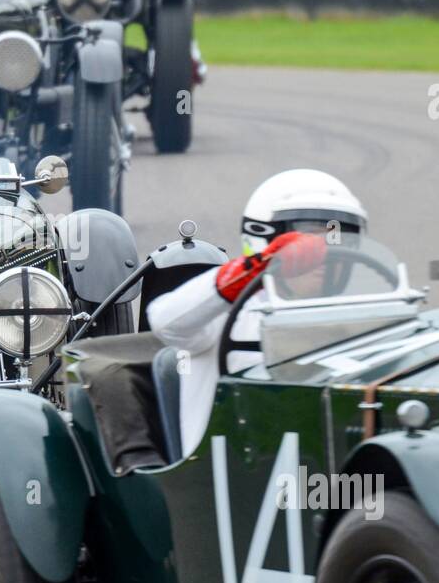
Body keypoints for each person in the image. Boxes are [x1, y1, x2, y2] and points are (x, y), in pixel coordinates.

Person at [146, 169, 368, 456]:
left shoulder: (360, 318)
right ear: (265, 240)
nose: (324, 256)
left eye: (336, 243)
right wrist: (254, 269)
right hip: (229, 474)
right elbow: (164, 322)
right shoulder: (223, 315)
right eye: (307, 244)